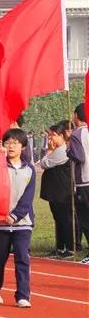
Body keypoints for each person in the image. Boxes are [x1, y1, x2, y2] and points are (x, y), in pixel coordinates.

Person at [0, 128, 36, 307]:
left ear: (23, 146)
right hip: (0, 223)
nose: (11, 145)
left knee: (22, 257)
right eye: (8, 142)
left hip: (23, 223)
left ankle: (23, 295)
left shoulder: (29, 169)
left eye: (15, 142)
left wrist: (15, 215)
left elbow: (28, 197)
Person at [40, 121, 73, 258]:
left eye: (53, 135)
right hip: (56, 192)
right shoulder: (58, 150)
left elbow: (44, 163)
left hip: (61, 192)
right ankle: (60, 247)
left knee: (64, 219)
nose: (50, 138)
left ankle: (68, 248)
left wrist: (49, 151)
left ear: (62, 136)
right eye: (49, 135)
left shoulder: (62, 151)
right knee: (59, 219)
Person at [67, 103, 89, 260]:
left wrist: (69, 149)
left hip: (83, 181)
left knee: (84, 219)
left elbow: (79, 157)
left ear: (76, 115)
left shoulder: (76, 134)